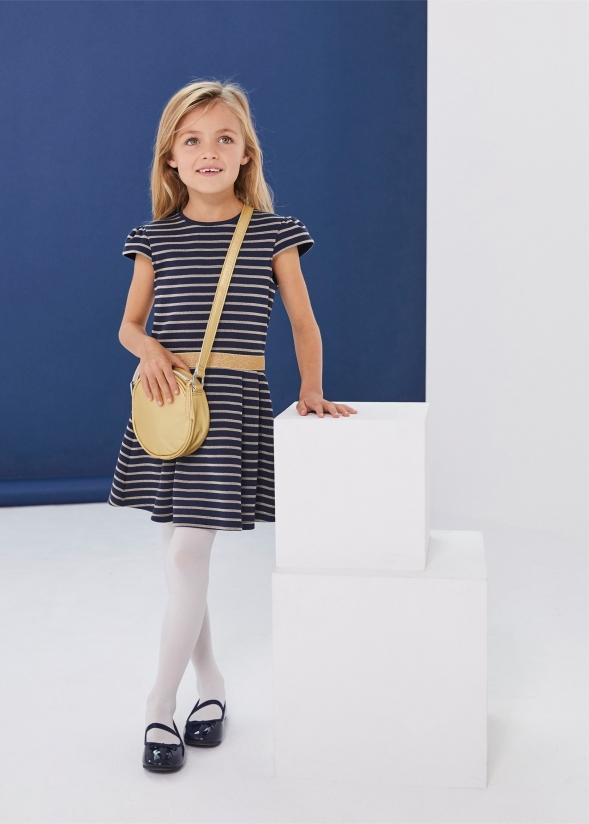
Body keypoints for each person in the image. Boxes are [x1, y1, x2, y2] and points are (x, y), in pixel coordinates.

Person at [108, 79, 356, 772]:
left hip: (232, 404)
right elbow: (128, 326)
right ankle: (212, 684)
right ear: (170, 158)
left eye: (224, 138)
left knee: (186, 557)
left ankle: (158, 704)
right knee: (180, 560)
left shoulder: (274, 232)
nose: (209, 151)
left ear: (247, 154)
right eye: (192, 140)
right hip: (169, 403)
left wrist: (311, 389)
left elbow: (303, 321)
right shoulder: (152, 237)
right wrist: (149, 350)